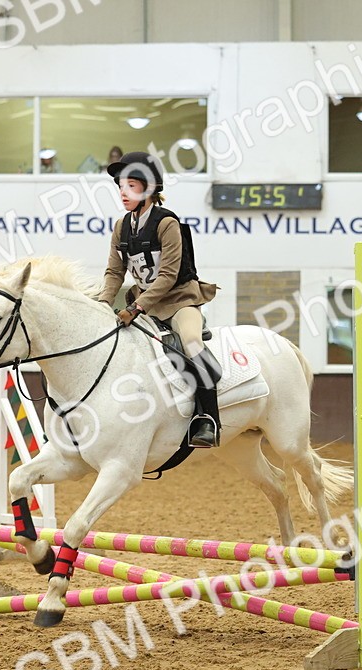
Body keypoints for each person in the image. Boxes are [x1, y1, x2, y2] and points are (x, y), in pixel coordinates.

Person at [100, 151, 221, 448]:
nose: (123, 192)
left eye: (130, 185)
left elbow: (167, 276)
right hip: (144, 305)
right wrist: (102, 303)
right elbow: (114, 271)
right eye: (120, 186)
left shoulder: (167, 223)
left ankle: (209, 419)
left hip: (179, 301)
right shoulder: (122, 226)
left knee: (191, 341)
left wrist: (136, 307)